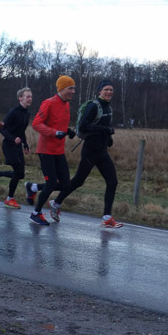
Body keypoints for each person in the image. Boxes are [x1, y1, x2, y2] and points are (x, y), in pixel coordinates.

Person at [54, 79, 124, 228]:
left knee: (112, 181)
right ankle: (56, 202)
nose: (109, 92)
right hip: (90, 150)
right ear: (99, 92)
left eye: (111, 90)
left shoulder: (108, 108)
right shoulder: (94, 106)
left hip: (102, 151)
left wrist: (108, 138)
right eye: (106, 89)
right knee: (78, 181)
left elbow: (104, 126)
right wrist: (106, 131)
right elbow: (85, 126)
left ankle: (107, 217)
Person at [29, 75, 76, 226]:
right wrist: (54, 133)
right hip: (46, 150)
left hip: (58, 151)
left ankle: (33, 187)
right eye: (70, 88)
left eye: (74, 88)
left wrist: (67, 131)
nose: (73, 91)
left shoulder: (66, 105)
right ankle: (35, 213)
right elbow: (36, 124)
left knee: (65, 184)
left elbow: (58, 124)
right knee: (50, 184)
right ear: (61, 89)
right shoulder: (48, 103)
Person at [0, 87, 33, 209]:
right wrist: (13, 138)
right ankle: (9, 199)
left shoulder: (27, 114)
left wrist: (25, 144)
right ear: (20, 98)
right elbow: (1, 128)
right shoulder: (13, 112)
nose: (30, 99)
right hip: (8, 145)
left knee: (21, 174)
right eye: (27, 96)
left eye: (31, 96)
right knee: (18, 171)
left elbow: (21, 131)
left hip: (17, 146)